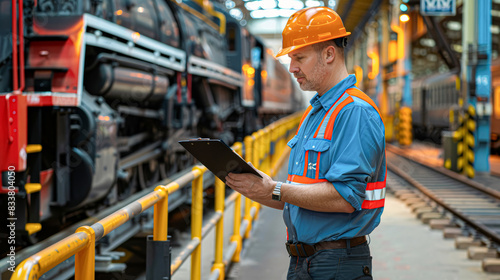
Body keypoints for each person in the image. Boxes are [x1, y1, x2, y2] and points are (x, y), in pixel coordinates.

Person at [225, 6, 386, 280]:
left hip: (336, 264)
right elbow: (302, 196)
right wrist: (260, 188)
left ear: (329, 54)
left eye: (299, 57)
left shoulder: (354, 112)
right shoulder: (316, 112)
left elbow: (345, 197)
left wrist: (277, 189)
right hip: (306, 263)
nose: (292, 68)